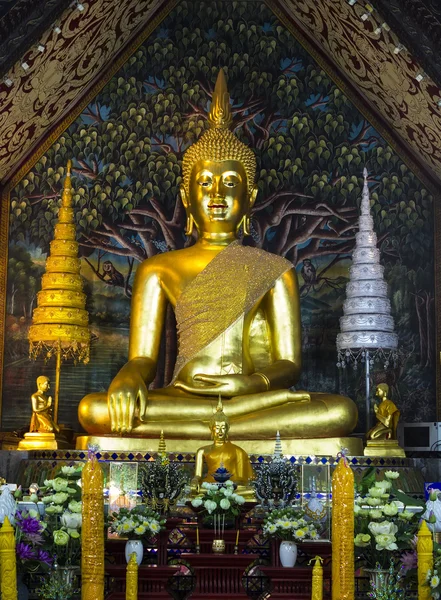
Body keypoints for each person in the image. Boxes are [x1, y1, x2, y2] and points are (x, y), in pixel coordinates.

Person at [78, 69, 357, 441]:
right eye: (205, 183)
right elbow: (143, 358)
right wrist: (128, 378)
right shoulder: (157, 269)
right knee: (94, 409)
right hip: (184, 397)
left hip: (253, 399)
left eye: (230, 183)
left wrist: (250, 384)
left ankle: (202, 430)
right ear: (186, 196)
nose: (216, 195)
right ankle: (218, 428)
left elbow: (288, 364)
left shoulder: (274, 270)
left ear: (250, 197)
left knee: (340, 411)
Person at [191, 398, 254, 497]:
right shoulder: (202, 451)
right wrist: (194, 481)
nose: (220, 431)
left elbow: (241, 479)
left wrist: (230, 486)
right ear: (212, 430)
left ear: (227, 430)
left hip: (231, 487)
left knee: (249, 491)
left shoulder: (238, 451)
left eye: (223, 428)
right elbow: (198, 475)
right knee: (197, 490)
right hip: (209, 486)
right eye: (217, 428)